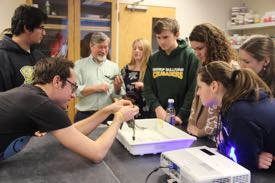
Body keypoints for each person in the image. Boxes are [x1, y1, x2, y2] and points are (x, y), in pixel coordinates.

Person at [0, 57, 139, 162]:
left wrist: (108, 109)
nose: (73, 94)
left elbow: (72, 132)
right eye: (73, 87)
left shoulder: (30, 94)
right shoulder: (42, 105)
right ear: (56, 81)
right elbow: (97, 153)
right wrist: (119, 118)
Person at [196, 61, 275, 171]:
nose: (197, 93)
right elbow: (226, 146)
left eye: (200, 87)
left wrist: (251, 160)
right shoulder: (235, 105)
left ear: (214, 86)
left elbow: (243, 164)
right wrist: (252, 159)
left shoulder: (238, 114)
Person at [143, 17, 200, 125]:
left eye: (165, 37)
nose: (161, 41)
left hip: (182, 120)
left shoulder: (191, 56)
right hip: (158, 117)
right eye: (158, 37)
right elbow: (147, 88)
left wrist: (181, 115)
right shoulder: (154, 58)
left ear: (177, 34)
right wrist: (157, 107)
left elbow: (193, 89)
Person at [187, 23, 237, 137]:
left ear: (213, 45)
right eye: (194, 49)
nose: (197, 54)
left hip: (216, 139)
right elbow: (197, 99)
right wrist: (192, 125)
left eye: (200, 48)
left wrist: (202, 132)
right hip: (198, 133)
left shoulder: (229, 69)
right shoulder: (205, 66)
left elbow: (222, 109)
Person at [74, 32, 126, 122]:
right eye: (100, 47)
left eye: (105, 47)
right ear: (91, 46)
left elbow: (119, 94)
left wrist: (117, 88)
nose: (103, 51)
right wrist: (95, 88)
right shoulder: (79, 65)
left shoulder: (114, 67)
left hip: (108, 115)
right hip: (84, 116)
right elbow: (74, 90)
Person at [0, 5, 47, 91]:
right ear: (27, 28)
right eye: (41, 28)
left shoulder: (39, 56)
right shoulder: (3, 57)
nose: (44, 33)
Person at [121, 38, 152, 119]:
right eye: (134, 48)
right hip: (130, 110)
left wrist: (144, 86)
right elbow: (120, 91)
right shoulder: (126, 69)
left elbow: (159, 89)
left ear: (147, 51)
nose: (136, 51)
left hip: (147, 110)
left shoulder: (152, 69)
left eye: (140, 49)